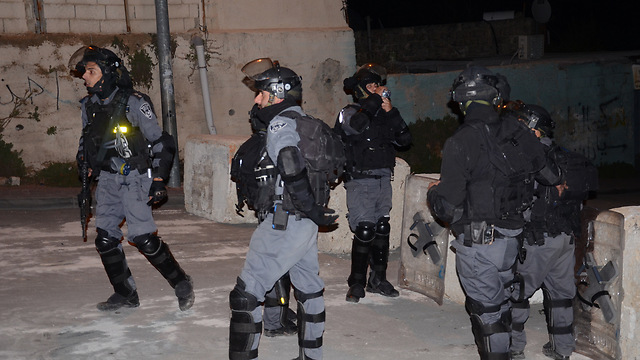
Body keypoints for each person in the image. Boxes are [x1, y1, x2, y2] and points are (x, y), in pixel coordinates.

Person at [427, 66, 560, 360]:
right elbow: (551, 175)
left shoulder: (460, 141)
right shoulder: (518, 132)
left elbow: (447, 208)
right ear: (496, 97)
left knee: (486, 315)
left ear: (461, 103)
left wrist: (433, 192)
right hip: (512, 242)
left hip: (478, 247)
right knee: (501, 305)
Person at [229, 58, 338, 360]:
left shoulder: (280, 124)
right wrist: (312, 211)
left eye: (261, 93)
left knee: (245, 294)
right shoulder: (308, 122)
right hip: (303, 223)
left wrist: (309, 207)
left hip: (285, 219)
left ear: (277, 94)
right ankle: (310, 356)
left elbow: (289, 161)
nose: (256, 99)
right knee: (309, 289)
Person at [71, 45, 194, 312]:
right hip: (106, 180)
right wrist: (84, 165)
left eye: (91, 71)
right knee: (105, 238)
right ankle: (125, 294)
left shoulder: (134, 102)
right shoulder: (89, 105)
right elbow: (87, 140)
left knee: (143, 238)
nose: (85, 77)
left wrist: (160, 180)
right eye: (85, 72)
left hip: (136, 177)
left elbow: (163, 142)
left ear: (107, 73)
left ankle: (182, 283)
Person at [508, 103, 595, 360]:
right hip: (565, 240)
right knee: (561, 298)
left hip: (537, 241)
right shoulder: (564, 155)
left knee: (518, 295)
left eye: (523, 124)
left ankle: (514, 349)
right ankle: (562, 349)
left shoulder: (531, 158)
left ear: (535, 130)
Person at [334, 63, 411, 303]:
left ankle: (378, 278)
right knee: (364, 229)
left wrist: (391, 111)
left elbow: (406, 140)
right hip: (360, 180)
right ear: (360, 90)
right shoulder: (349, 112)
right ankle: (356, 282)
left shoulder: (382, 114)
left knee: (381, 228)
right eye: (371, 86)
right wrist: (375, 102)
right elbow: (355, 127)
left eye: (378, 85)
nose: (377, 89)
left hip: (383, 179)